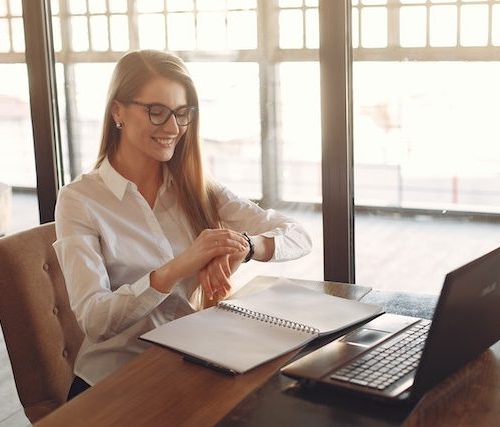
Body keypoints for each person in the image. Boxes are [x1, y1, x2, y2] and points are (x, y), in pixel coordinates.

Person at [53, 49, 312, 399]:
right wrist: (178, 267)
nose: (173, 128)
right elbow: (95, 321)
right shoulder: (79, 200)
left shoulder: (195, 188)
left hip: (186, 364)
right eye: (156, 112)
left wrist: (245, 246)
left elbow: (297, 234)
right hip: (111, 383)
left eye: (180, 113)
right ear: (118, 111)